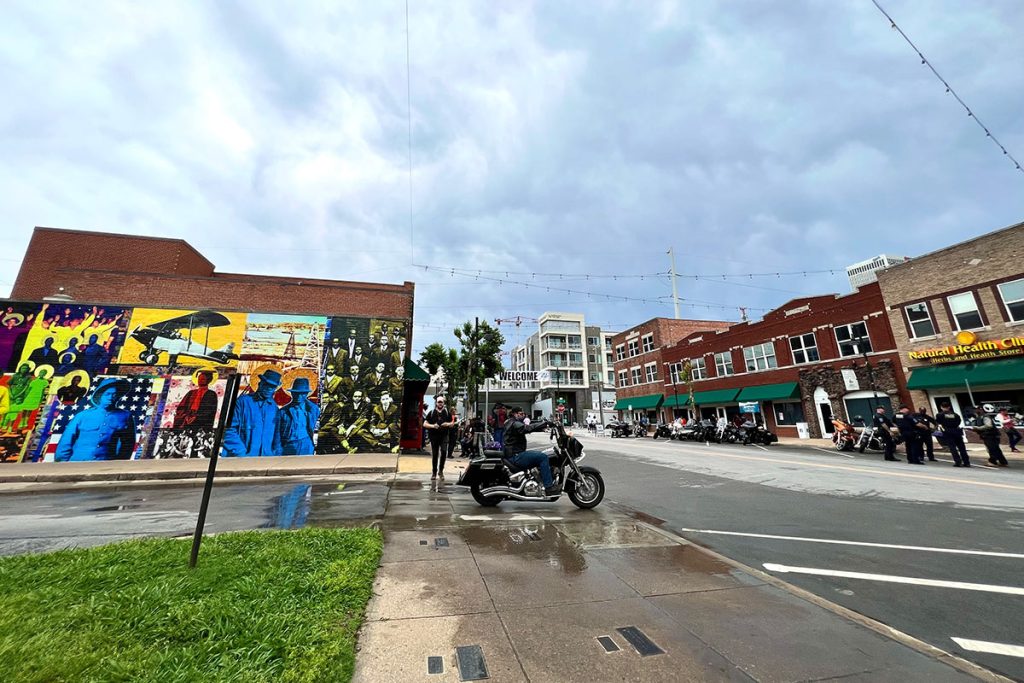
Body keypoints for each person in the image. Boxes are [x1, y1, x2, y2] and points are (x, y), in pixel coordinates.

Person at [55, 378, 135, 461]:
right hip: (78, 463)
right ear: (100, 395)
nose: (110, 398)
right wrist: (63, 464)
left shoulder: (125, 416)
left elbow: (128, 444)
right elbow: (66, 442)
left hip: (106, 466)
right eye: (107, 394)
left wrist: (118, 465)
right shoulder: (83, 415)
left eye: (114, 395)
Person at [222, 369, 282, 457]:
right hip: (243, 458)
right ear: (260, 384)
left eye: (272, 387)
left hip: (266, 459)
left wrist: (276, 454)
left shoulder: (274, 408)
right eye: (266, 385)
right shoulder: (243, 402)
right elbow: (229, 429)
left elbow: (277, 435)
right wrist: (240, 452)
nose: (269, 389)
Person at [503, 406, 559, 495]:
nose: (523, 416)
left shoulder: (511, 422)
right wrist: (545, 423)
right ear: (515, 414)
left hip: (514, 453)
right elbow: (527, 428)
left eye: (523, 414)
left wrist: (541, 427)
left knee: (540, 456)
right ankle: (549, 487)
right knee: (543, 457)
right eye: (521, 414)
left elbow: (530, 426)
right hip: (516, 455)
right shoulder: (514, 423)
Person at [275, 377, 319, 455]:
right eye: (296, 393)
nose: (299, 396)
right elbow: (277, 433)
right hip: (289, 445)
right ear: (292, 393)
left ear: (306, 394)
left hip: (306, 444)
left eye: (302, 393)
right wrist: (278, 449)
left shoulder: (312, 409)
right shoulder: (283, 411)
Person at [423, 396, 455, 480]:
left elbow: (452, 423)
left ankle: (441, 471)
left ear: (444, 403)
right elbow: (424, 424)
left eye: (441, 402)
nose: (440, 403)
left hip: (444, 436)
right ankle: (434, 472)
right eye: (439, 402)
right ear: (436, 403)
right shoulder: (432, 412)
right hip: (434, 437)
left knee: (444, 452)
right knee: (435, 454)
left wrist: (446, 424)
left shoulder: (447, 413)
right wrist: (433, 426)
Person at [936, 402, 971, 467]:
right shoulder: (955, 414)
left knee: (952, 447)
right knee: (962, 448)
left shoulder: (940, 415)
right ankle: (966, 462)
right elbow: (959, 422)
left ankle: (958, 462)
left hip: (948, 432)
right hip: (957, 431)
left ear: (941, 407)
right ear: (949, 407)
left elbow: (939, 423)